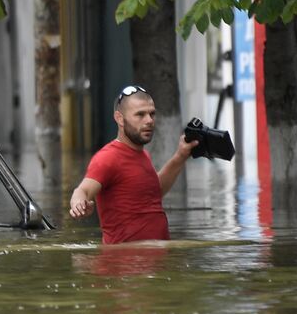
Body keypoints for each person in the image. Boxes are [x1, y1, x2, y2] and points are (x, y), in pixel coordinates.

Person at [69, 84, 199, 244]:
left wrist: (181, 156)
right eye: (140, 115)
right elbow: (83, 190)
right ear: (119, 118)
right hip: (124, 264)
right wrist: (79, 204)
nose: (149, 121)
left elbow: (153, 191)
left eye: (152, 114)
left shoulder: (143, 155)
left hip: (154, 263)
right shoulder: (107, 157)